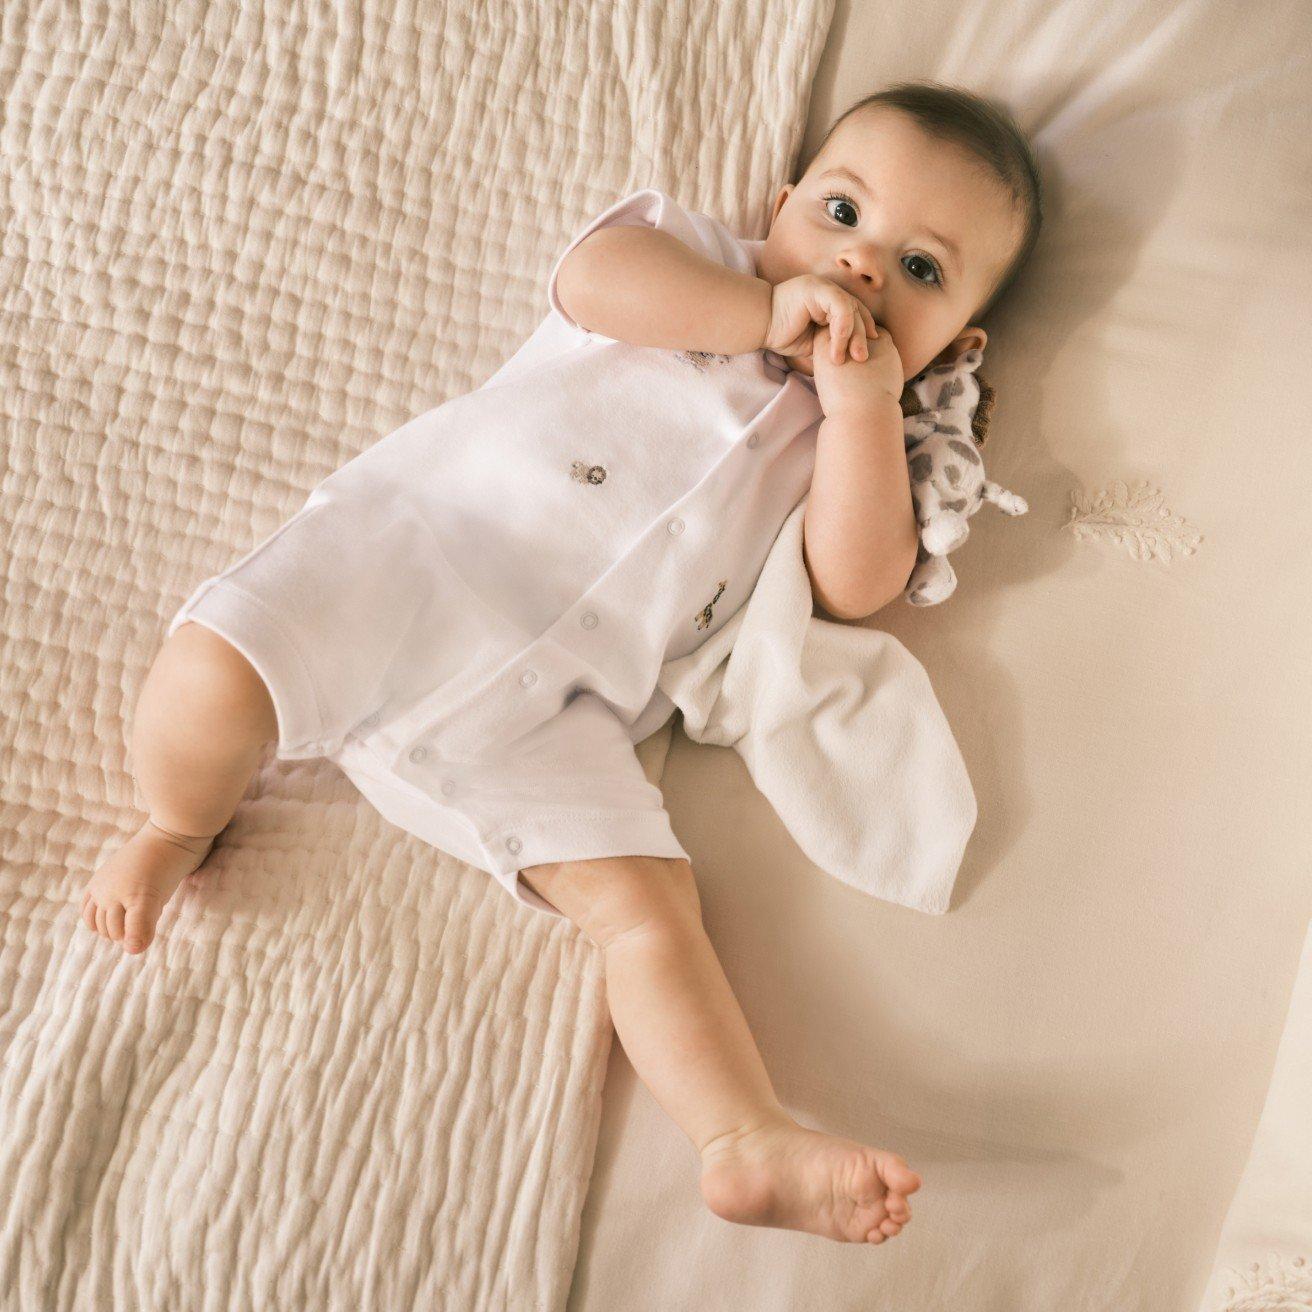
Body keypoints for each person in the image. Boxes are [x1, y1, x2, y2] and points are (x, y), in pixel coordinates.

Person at [81, 81, 1042, 1246]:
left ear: (962, 343)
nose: (861, 269)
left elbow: (855, 581)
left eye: (922, 272)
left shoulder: (874, 434)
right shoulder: (697, 265)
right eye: (840, 213)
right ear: (779, 204)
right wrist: (755, 309)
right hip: (418, 563)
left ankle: (740, 1137)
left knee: (645, 907)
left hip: (564, 708)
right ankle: (177, 820)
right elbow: (592, 278)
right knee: (215, 666)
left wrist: (858, 409)